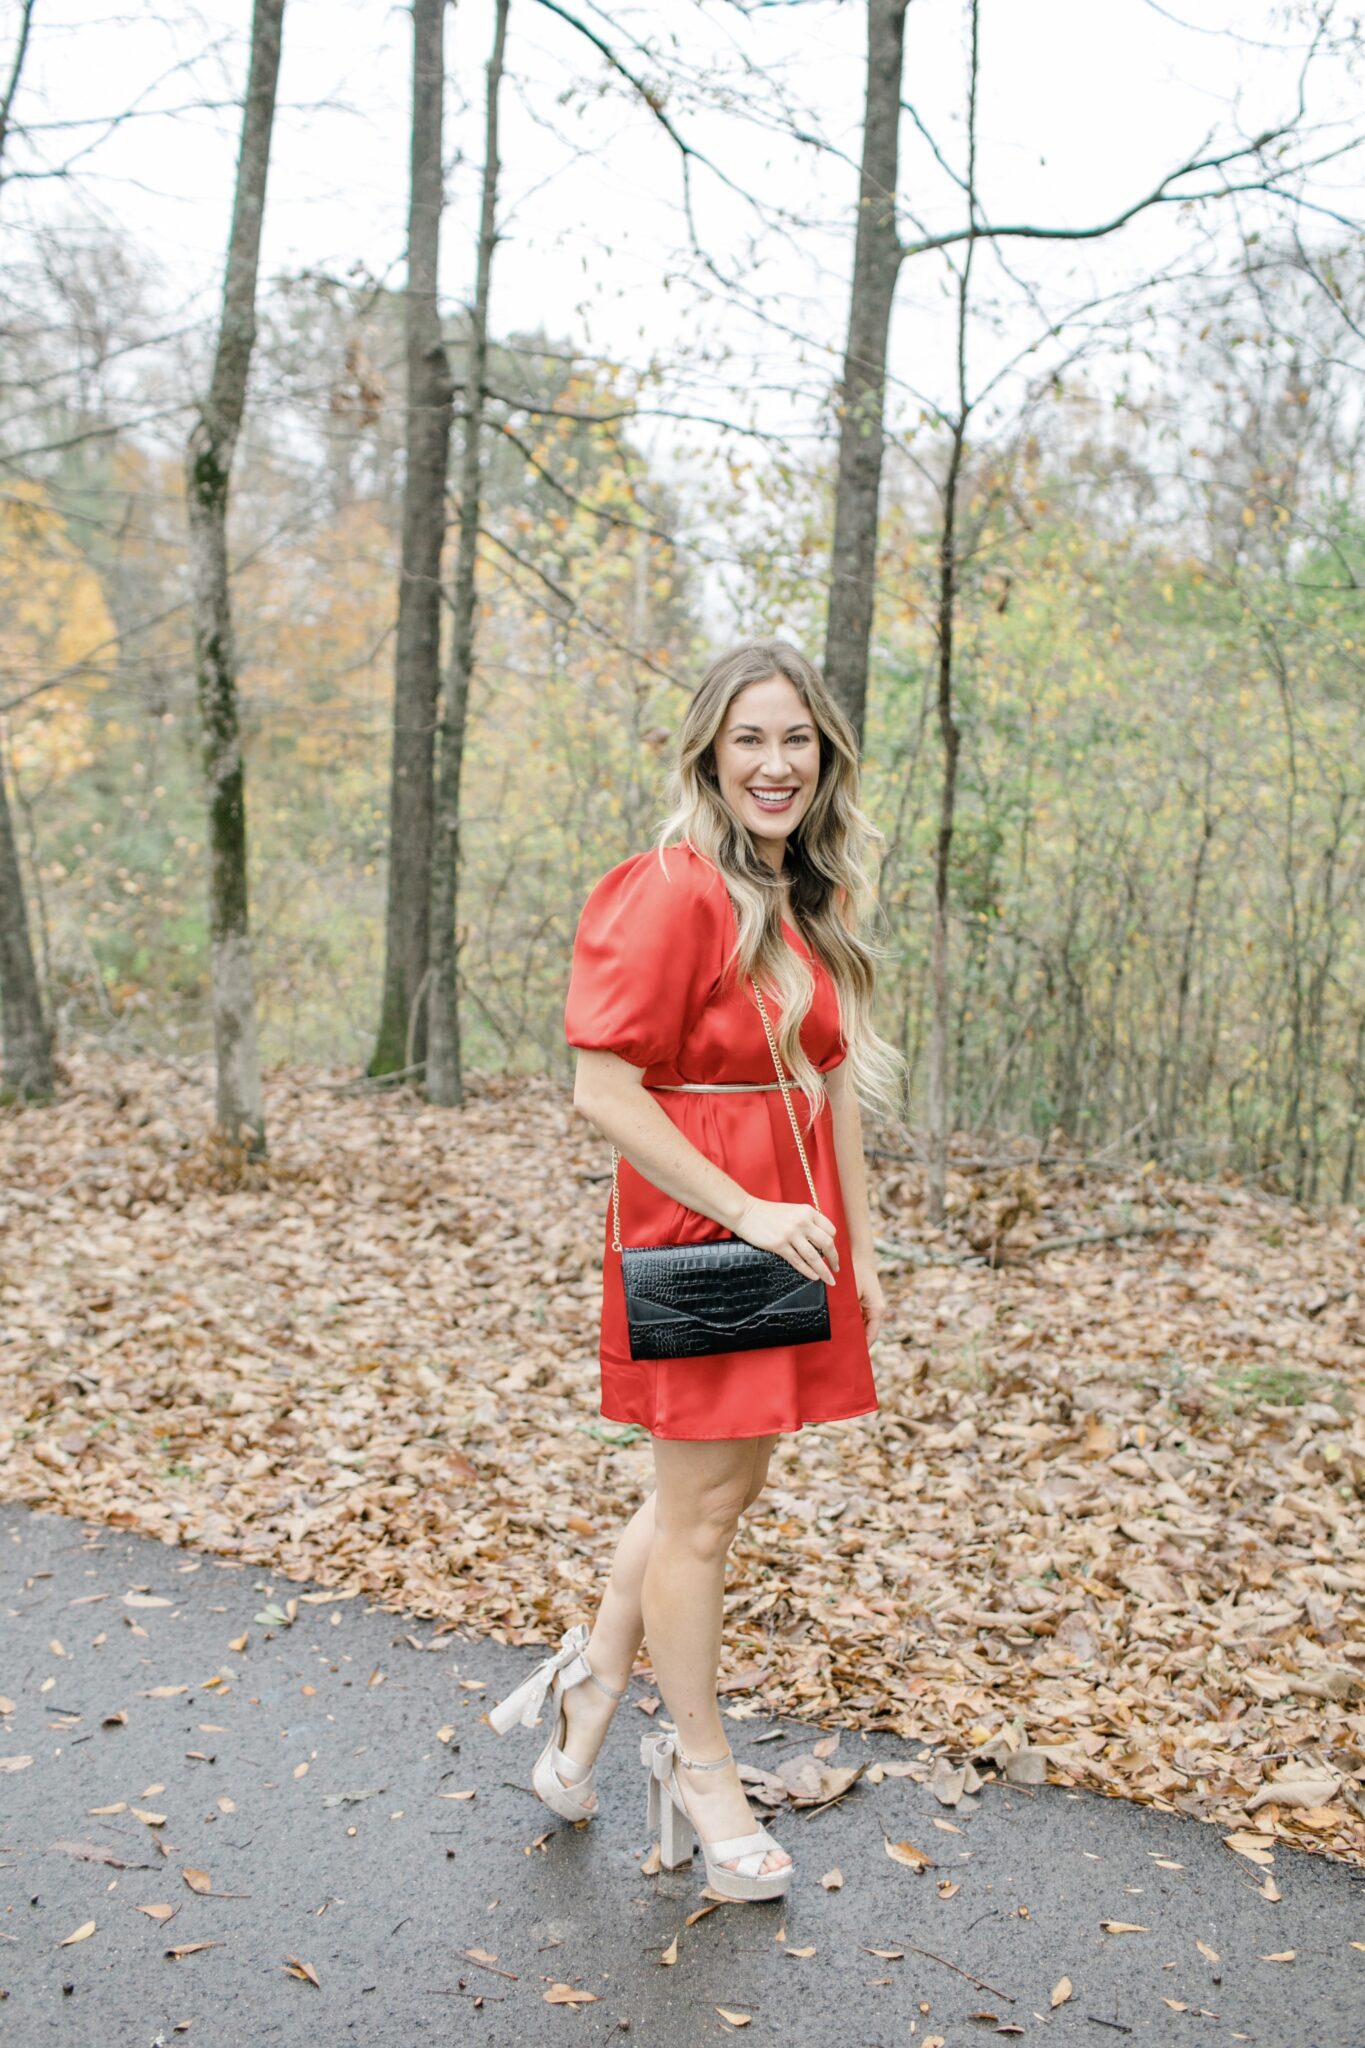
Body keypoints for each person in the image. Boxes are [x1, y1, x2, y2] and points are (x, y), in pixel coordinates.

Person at [488, 639, 905, 1902]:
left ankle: (591, 1692)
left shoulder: (808, 897)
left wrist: (863, 1256)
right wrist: (751, 1209)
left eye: (798, 741)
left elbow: (827, 1091)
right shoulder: (668, 890)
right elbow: (601, 1086)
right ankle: (702, 1762)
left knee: (701, 1503)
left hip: (798, 1238)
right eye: (751, 741)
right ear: (709, 756)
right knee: (703, 1515)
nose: (776, 765)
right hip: (705, 1235)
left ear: (824, 756)